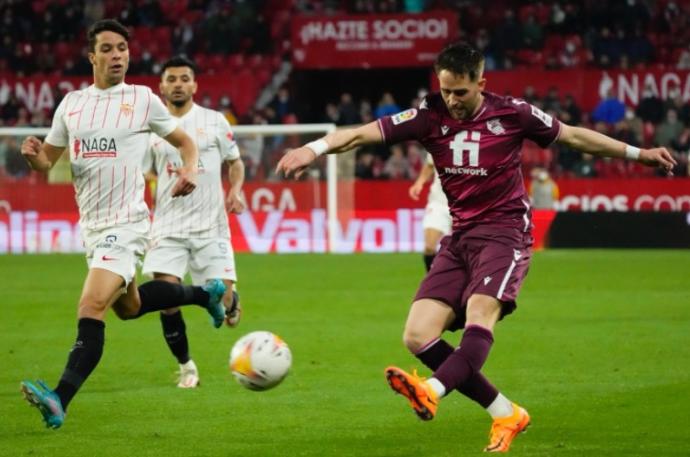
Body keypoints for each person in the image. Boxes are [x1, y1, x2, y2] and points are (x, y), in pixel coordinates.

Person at [276, 42, 676, 453]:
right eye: (446, 90)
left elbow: (573, 137)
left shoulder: (513, 113)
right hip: (461, 238)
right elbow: (362, 133)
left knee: (479, 316)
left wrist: (638, 153)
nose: (452, 99)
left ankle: (431, 388)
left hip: (505, 234)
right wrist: (314, 148)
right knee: (417, 335)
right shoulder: (428, 115)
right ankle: (506, 413)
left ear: (481, 84)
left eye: (461, 92)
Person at [19, 19, 228, 430]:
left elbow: (185, 142)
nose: (118, 56)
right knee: (129, 309)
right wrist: (33, 156)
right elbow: (48, 161)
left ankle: (59, 398)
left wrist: (189, 169)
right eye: (109, 49)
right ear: (92, 55)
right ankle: (204, 295)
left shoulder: (143, 99)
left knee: (90, 306)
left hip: (128, 224)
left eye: (123, 49)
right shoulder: (72, 105)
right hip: (93, 228)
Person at [142, 56, 245, 388]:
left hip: (211, 226)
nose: (178, 84)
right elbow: (143, 169)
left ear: (195, 85)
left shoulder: (215, 121)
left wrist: (236, 191)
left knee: (223, 301)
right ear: (161, 86)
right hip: (168, 227)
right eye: (171, 79)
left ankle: (231, 301)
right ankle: (186, 366)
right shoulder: (150, 127)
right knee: (167, 298)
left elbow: (235, 161)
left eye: (184, 78)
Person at [408, 153, 451, 271]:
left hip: (467, 205)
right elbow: (430, 164)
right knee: (429, 248)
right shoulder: (439, 138)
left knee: (466, 250)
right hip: (439, 202)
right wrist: (419, 182)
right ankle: (432, 282)